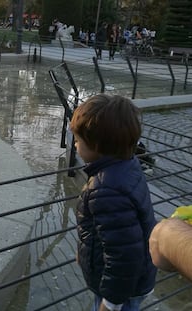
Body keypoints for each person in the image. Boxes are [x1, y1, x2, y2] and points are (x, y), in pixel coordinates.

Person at [69, 94, 157, 311]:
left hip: (121, 292)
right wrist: (86, 250)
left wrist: (111, 303)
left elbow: (123, 255)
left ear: (97, 146)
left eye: (78, 140)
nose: (75, 145)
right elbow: (111, 233)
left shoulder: (107, 189)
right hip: (131, 281)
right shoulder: (124, 165)